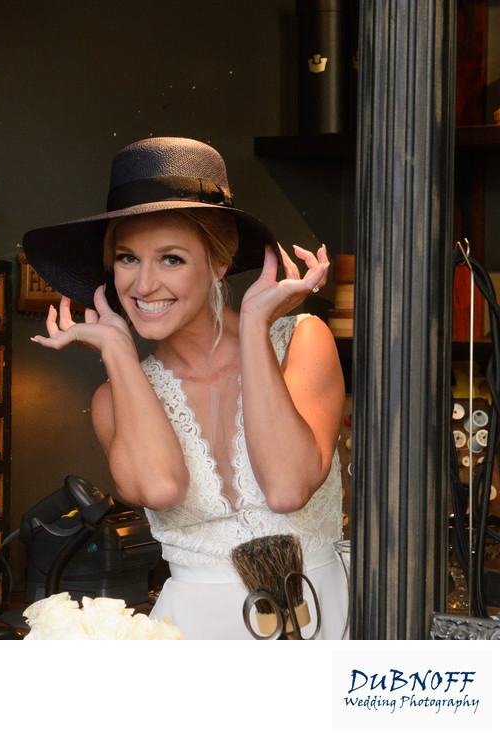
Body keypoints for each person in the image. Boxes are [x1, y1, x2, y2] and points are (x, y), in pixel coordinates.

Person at [22, 137, 347, 639]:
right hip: (192, 636)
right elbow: (160, 488)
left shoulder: (303, 342)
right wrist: (117, 351)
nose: (143, 285)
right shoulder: (115, 397)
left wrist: (256, 326)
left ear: (220, 262)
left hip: (320, 625)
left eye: (170, 259)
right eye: (128, 259)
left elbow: (286, 488)